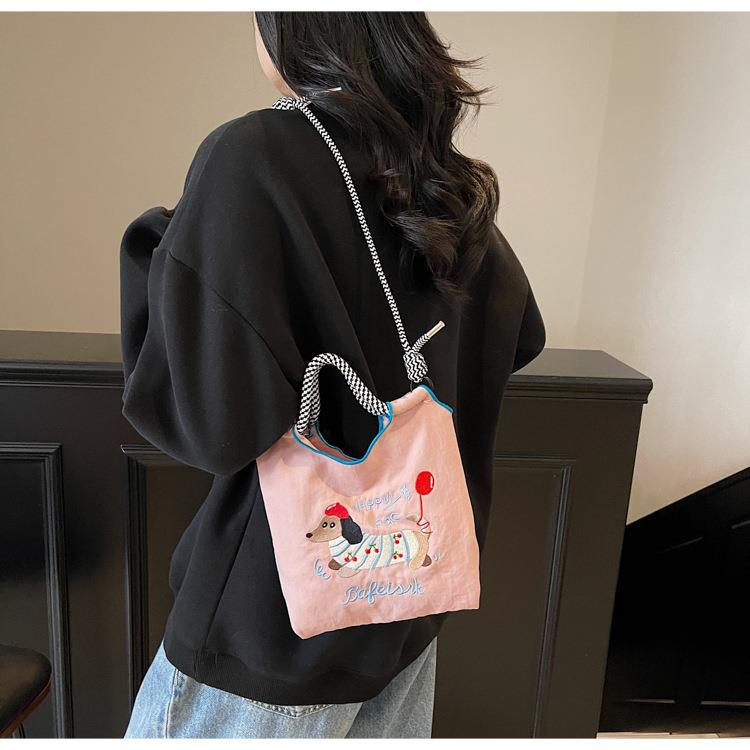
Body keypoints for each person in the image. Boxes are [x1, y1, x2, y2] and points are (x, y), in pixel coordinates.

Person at [121, 11, 545, 740]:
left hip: (270, 633)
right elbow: (521, 334)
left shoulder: (252, 155)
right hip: (405, 615)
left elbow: (210, 425)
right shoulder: (436, 173)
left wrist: (157, 245)